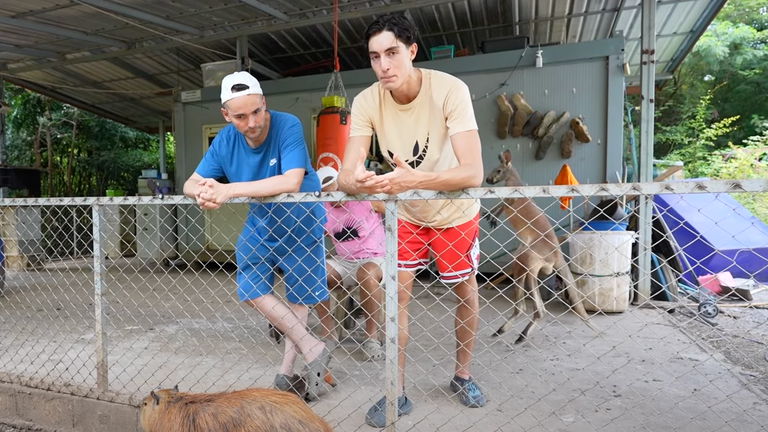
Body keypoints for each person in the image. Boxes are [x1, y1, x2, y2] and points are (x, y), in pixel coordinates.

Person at [337, 13, 487, 428]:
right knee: (396, 298)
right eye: (374, 56)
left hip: (455, 213)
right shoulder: (367, 100)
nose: (383, 65)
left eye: (392, 53)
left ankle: (462, 374)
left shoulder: (450, 90)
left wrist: (414, 179)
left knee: (465, 292)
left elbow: (472, 171)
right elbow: (347, 173)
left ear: (412, 51)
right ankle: (396, 390)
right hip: (406, 214)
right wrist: (361, 182)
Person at [183, 71, 331, 401]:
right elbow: (190, 183)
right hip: (261, 220)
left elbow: (291, 181)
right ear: (226, 115)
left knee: (299, 296)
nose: (252, 123)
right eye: (240, 116)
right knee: (250, 288)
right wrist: (203, 194)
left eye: (256, 112)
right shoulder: (224, 140)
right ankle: (312, 346)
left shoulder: (288, 124)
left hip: (300, 218)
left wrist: (228, 190)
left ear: (264, 103)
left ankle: (286, 372)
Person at [313, 166, 386, 361]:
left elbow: (394, 209)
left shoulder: (365, 199)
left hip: (375, 259)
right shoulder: (323, 210)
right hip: (344, 262)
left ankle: (372, 337)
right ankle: (328, 333)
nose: (333, 194)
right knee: (315, 272)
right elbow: (313, 234)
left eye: (334, 187)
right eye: (327, 192)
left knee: (366, 274)